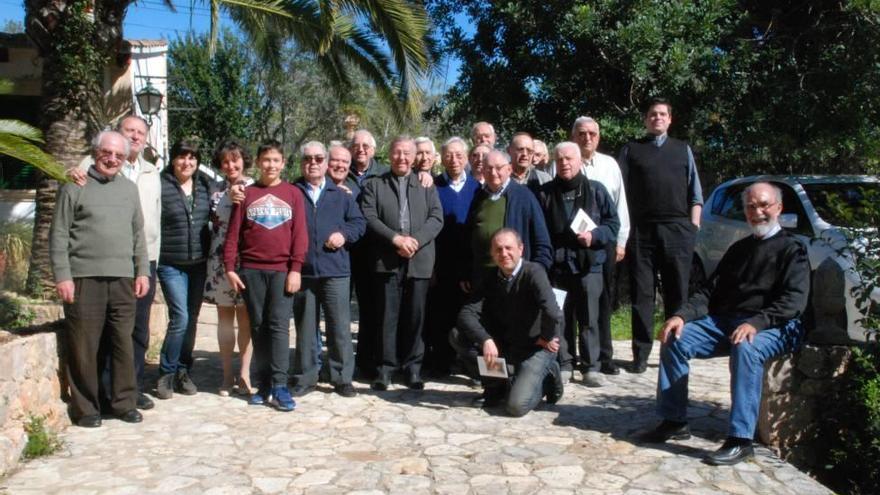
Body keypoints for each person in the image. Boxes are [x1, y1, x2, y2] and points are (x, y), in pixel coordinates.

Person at [639, 182, 809, 466]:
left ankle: (741, 440)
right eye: (751, 206)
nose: (758, 212)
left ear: (778, 208)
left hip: (777, 325)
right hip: (729, 321)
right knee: (675, 337)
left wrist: (757, 323)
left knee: (746, 347)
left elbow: (794, 302)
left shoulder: (793, 249)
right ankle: (673, 420)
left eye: (764, 205)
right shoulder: (739, 249)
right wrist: (681, 316)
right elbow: (709, 292)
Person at [50, 130, 149, 427]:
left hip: (122, 278)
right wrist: (63, 276)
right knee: (84, 345)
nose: (112, 159)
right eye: (107, 153)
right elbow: (58, 233)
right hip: (84, 277)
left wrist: (142, 270)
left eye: (119, 155)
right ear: (95, 153)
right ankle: (87, 409)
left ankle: (123, 402)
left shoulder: (129, 189)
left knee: (122, 342)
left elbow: (137, 235)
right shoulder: (74, 185)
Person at [69, 114, 161, 411]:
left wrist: (144, 267)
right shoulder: (82, 173)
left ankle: (126, 396)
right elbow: (61, 229)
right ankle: (95, 401)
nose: (134, 136)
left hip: (137, 265)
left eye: (140, 133)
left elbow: (141, 228)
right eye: (129, 130)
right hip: (91, 270)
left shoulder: (150, 173)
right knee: (93, 339)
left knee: (131, 335)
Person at [619, 97, 703, 373]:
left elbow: (696, 193)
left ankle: (677, 348)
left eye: (662, 114)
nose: (657, 118)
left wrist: (693, 227)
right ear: (645, 120)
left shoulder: (682, 150)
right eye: (652, 114)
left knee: (677, 292)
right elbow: (620, 194)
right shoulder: (632, 150)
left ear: (670, 119)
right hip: (642, 231)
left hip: (677, 229)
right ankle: (641, 354)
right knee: (642, 293)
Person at [224, 140, 308, 412]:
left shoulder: (293, 194)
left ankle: (281, 386)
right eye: (266, 160)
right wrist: (229, 268)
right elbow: (233, 233)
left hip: (282, 271)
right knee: (258, 326)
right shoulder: (246, 194)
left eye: (276, 160)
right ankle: (264, 384)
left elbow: (300, 235)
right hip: (251, 270)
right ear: (258, 163)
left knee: (279, 327)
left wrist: (296, 268)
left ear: (283, 163)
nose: (271, 165)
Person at [359, 135, 444, 391]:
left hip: (419, 261)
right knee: (387, 315)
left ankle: (413, 369)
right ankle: (385, 368)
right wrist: (396, 239)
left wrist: (414, 241)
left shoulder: (426, 184)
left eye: (407, 153)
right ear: (389, 154)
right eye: (397, 153)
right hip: (386, 260)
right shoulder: (375, 184)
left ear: (414, 156)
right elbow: (369, 216)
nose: (402, 158)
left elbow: (436, 218)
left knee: (415, 316)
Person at [452, 229, 564, 417]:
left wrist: (545, 337)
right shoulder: (491, 277)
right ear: (492, 253)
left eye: (508, 248)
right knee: (458, 336)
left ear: (521, 249)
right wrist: (485, 340)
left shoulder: (534, 272)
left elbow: (553, 312)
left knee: (516, 407)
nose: (503, 254)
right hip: (508, 345)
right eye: (498, 249)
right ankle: (497, 386)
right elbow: (466, 313)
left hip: (537, 347)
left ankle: (548, 377)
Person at [538, 142, 619, 387]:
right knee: (559, 317)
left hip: (589, 264)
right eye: (560, 159)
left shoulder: (597, 191)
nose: (564, 163)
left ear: (580, 161)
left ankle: (591, 366)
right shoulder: (544, 193)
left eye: (569, 158)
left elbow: (613, 225)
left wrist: (594, 237)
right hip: (557, 266)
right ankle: (564, 363)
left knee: (589, 317)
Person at [291, 142, 366, 398]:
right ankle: (306, 376)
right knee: (306, 328)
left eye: (318, 158)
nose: (313, 163)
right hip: (303, 271)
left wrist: (343, 235)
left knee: (339, 327)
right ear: (302, 163)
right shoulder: (292, 193)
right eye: (308, 158)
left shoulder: (341, 194)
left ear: (325, 163)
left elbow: (359, 223)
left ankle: (342, 377)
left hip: (336, 270)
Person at [155, 139, 216, 399]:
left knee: (191, 319)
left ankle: (183, 370)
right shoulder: (160, 184)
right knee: (179, 317)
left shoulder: (205, 184)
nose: (187, 162)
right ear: (173, 159)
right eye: (182, 156)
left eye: (192, 157)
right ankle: (166, 373)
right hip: (170, 262)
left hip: (198, 264)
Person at [572, 116, 631, 375]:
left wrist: (621, 242)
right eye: (582, 133)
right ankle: (574, 356)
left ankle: (605, 356)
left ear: (599, 137)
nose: (587, 138)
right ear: (574, 136)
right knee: (572, 303)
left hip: (603, 244)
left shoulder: (610, 165)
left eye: (592, 133)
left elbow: (620, 207)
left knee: (604, 300)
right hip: (571, 246)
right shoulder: (564, 161)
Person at [424, 137, 481, 376]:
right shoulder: (432, 186)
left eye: (459, 155)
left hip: (468, 266)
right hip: (440, 263)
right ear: (441, 158)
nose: (454, 160)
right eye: (448, 155)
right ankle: (441, 362)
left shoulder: (478, 189)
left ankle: (469, 365)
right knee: (439, 316)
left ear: (466, 157)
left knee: (467, 319)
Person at [203, 140, 254, 396]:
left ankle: (244, 374)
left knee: (246, 319)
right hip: (219, 261)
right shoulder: (214, 190)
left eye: (235, 160)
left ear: (244, 160)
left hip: (247, 260)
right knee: (225, 320)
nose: (231, 165)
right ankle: (226, 375)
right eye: (225, 161)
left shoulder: (256, 187)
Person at [463, 150, 552, 291]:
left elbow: (542, 242)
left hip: (514, 280)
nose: (493, 173)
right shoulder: (479, 196)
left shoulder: (524, 196)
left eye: (498, 168)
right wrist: (466, 271)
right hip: (480, 277)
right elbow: (468, 238)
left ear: (509, 169)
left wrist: (534, 275)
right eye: (488, 168)